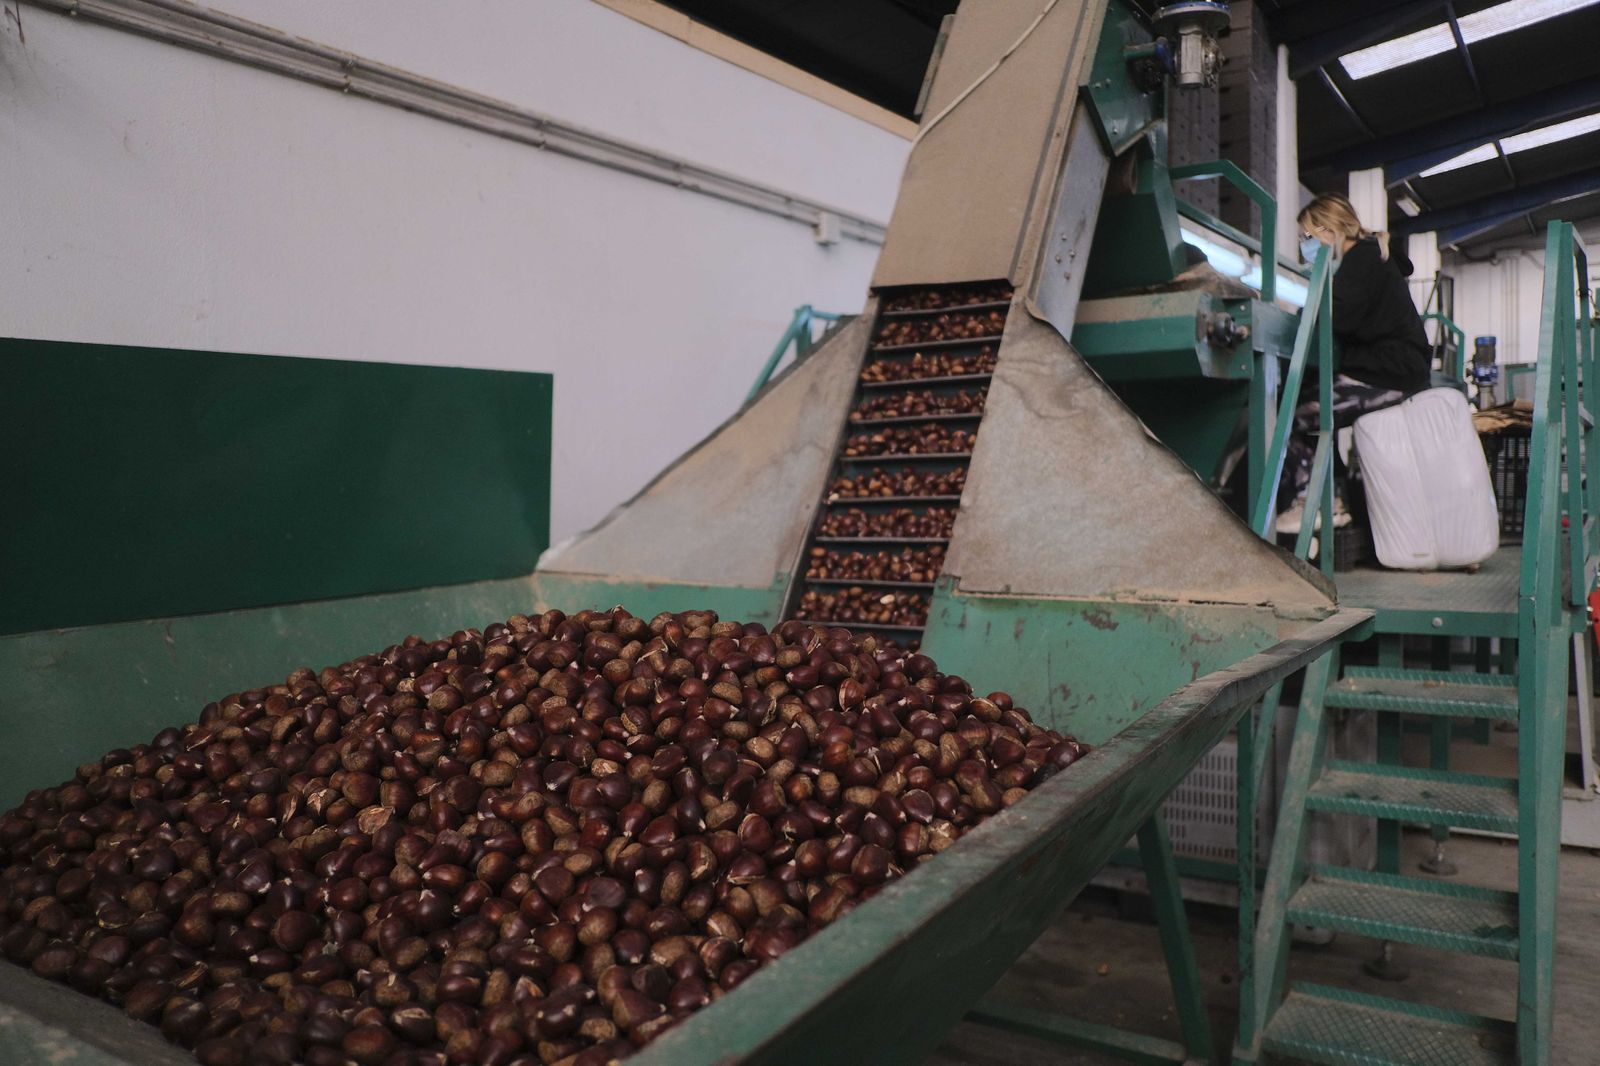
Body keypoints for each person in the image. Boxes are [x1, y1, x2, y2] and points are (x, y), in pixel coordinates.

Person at [1276, 192, 1432, 534]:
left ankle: (1314, 504)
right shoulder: (1369, 258)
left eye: (1307, 237)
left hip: (1391, 371)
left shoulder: (1361, 259)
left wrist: (1301, 317)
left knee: (1291, 412)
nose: (1304, 246)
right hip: (1396, 368)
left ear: (1328, 231)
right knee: (1311, 405)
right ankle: (1331, 498)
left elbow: (1334, 316)